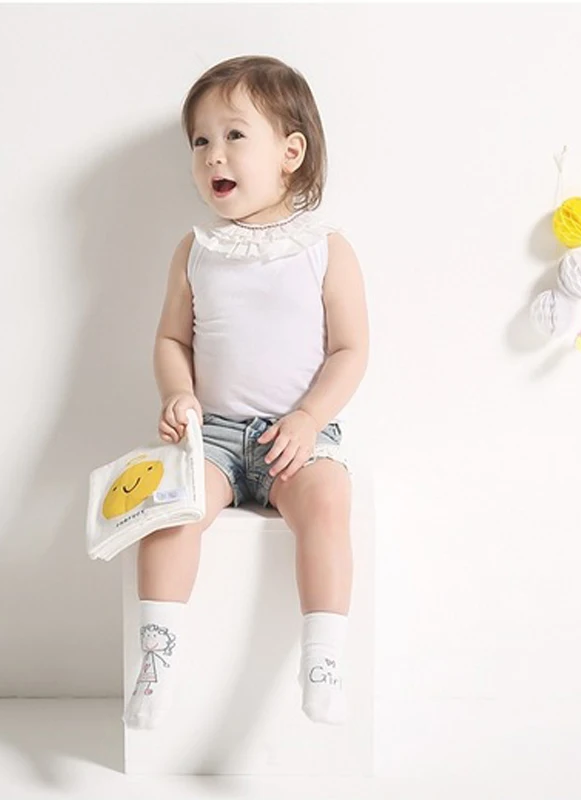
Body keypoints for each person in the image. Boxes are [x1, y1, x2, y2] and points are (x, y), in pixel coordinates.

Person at [123, 55, 369, 730]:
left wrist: (310, 417)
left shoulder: (325, 248)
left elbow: (350, 350)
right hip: (215, 436)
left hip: (297, 435)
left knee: (328, 501)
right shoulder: (197, 249)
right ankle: (157, 660)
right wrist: (178, 394)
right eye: (200, 140)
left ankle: (324, 660)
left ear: (291, 152)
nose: (213, 155)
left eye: (234, 135)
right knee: (171, 510)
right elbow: (172, 339)